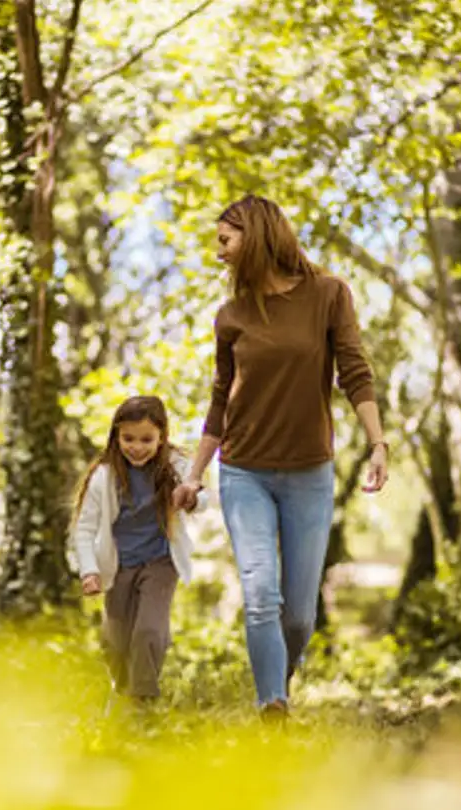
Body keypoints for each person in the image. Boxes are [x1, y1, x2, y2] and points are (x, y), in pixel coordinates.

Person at [172, 194, 389, 721]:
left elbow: (355, 372)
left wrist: (377, 443)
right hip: (244, 471)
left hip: (308, 473)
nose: (219, 253)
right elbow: (221, 399)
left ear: (257, 235)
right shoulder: (230, 317)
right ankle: (272, 708)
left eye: (225, 240)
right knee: (260, 591)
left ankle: (278, 679)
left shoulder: (329, 294)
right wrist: (195, 474)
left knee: (298, 616)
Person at [71, 396, 201, 707]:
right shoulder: (105, 476)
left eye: (147, 439)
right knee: (116, 643)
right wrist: (89, 570)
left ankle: (143, 705)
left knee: (148, 631)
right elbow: (85, 529)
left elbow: (202, 498)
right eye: (128, 438)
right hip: (119, 567)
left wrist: (191, 498)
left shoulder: (175, 466)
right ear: (116, 437)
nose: (137, 447)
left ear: (161, 437)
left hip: (160, 562)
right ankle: (123, 690)